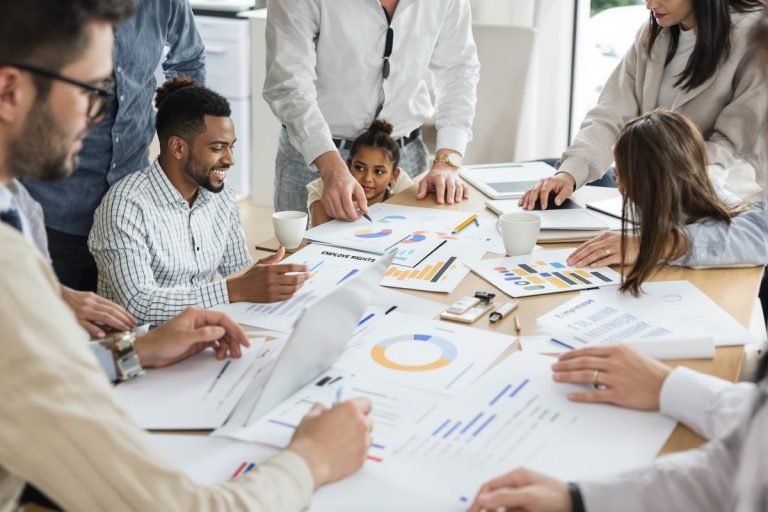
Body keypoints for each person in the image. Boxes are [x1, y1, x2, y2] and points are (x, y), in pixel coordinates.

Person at [0, 2, 373, 510]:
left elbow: (29, 375)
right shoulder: (13, 268)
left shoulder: (19, 211)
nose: (105, 118)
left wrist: (136, 350)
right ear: (10, 92)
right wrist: (312, 458)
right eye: (92, 92)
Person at [90, 77, 309, 325]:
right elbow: (139, 302)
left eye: (231, 147)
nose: (230, 159)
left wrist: (258, 276)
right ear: (178, 147)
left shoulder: (222, 196)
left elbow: (236, 269)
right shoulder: (124, 206)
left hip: (200, 334)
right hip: (138, 348)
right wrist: (233, 289)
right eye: (218, 148)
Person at [20, 0, 206, 293]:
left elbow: (189, 59)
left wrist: (183, 138)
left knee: (126, 325)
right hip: (56, 205)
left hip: (131, 205)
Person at [520, 0, 767, 211]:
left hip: (718, 206)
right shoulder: (654, 32)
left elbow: (737, 150)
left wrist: (653, 169)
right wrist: (569, 174)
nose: (649, 4)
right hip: (651, 200)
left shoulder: (751, 39)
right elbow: (611, 112)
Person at [264, 0, 480, 221]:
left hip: (404, 156)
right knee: (300, 254)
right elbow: (288, 83)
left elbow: (458, 68)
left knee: (411, 252)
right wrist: (331, 170)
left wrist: (447, 161)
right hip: (314, 158)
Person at [565, 109, 768, 290]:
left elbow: (759, 237)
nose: (617, 182)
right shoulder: (665, 201)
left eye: (620, 173)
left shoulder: (715, 207)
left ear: (650, 179)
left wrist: (649, 246)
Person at [307, 120, 414, 226]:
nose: (368, 178)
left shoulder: (401, 184)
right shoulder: (324, 188)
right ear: (348, 166)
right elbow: (320, 234)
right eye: (360, 168)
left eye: (378, 171)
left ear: (394, 175)